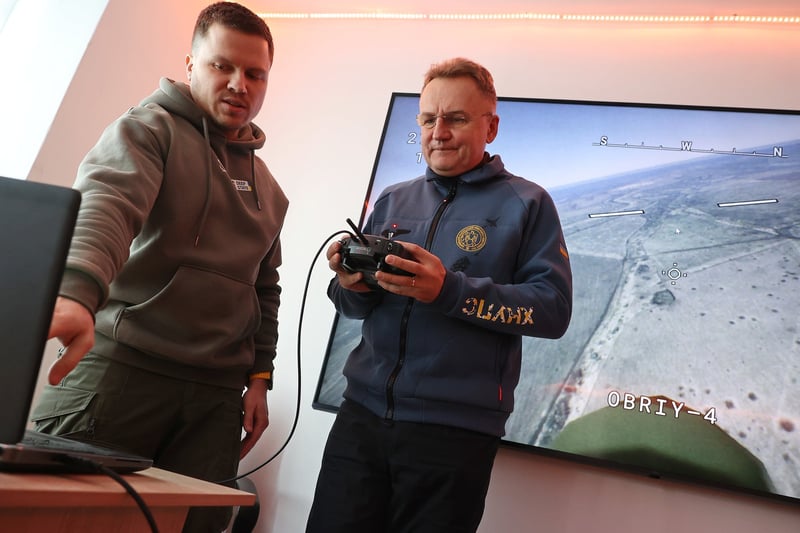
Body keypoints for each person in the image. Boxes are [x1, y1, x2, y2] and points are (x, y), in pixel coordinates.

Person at [30, 3, 287, 532]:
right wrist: (77, 291)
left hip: (216, 398)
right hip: (121, 371)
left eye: (255, 73)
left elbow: (264, 287)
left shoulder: (269, 187)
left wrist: (259, 379)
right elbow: (107, 206)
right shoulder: (147, 131)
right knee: (60, 520)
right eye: (222, 66)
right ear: (191, 65)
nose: (239, 84)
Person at [305, 57, 573, 533]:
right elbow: (354, 306)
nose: (439, 133)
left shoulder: (528, 203)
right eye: (429, 120)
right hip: (360, 418)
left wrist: (449, 290)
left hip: (454, 434)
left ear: (491, 127)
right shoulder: (393, 199)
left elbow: (552, 311)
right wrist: (349, 283)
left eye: (456, 119)